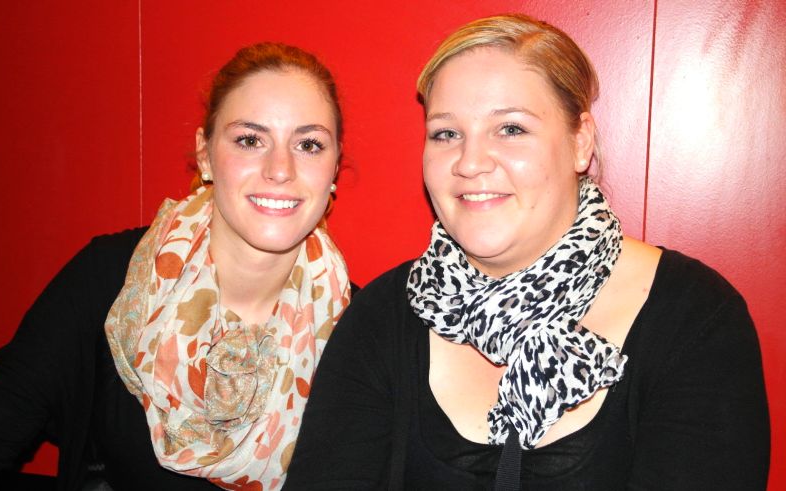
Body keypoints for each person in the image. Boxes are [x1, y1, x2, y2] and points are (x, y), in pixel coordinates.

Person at [284, 14, 770, 490]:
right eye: (447, 133)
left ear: (580, 142)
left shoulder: (694, 317)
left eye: (511, 129)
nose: (470, 162)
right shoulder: (383, 315)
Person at [0, 42, 351, 490]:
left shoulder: (358, 327)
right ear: (205, 154)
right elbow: (3, 415)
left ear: (334, 167)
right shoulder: (110, 276)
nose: (280, 169)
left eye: (309, 144)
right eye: (250, 140)